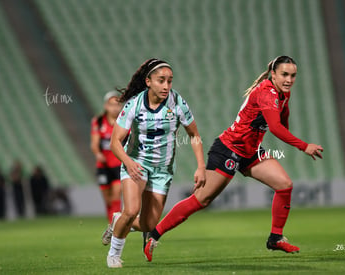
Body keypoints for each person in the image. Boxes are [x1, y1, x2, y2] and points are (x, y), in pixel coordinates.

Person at [143, 56, 324, 261]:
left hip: (251, 150)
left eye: (293, 76)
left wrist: (285, 119)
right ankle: (154, 235)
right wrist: (303, 146)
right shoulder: (267, 92)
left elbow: (282, 120)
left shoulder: (281, 93)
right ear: (273, 74)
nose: (289, 79)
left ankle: (275, 238)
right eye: (284, 74)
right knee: (202, 200)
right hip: (229, 149)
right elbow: (275, 127)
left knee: (284, 185)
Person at [105, 58, 206, 268]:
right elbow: (115, 142)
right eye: (161, 80)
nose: (166, 86)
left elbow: (194, 135)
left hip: (163, 170)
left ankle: (118, 220)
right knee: (132, 210)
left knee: (149, 224)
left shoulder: (177, 102)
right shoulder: (134, 105)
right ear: (148, 81)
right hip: (136, 163)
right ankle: (114, 254)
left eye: (170, 81)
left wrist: (201, 166)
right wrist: (128, 162)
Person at [91, 91, 124, 226]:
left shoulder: (124, 122)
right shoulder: (98, 122)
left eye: (117, 104)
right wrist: (98, 153)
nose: (115, 108)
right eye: (111, 105)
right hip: (103, 166)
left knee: (116, 194)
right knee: (108, 199)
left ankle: (115, 226)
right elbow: (94, 143)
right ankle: (112, 222)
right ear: (106, 106)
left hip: (118, 164)